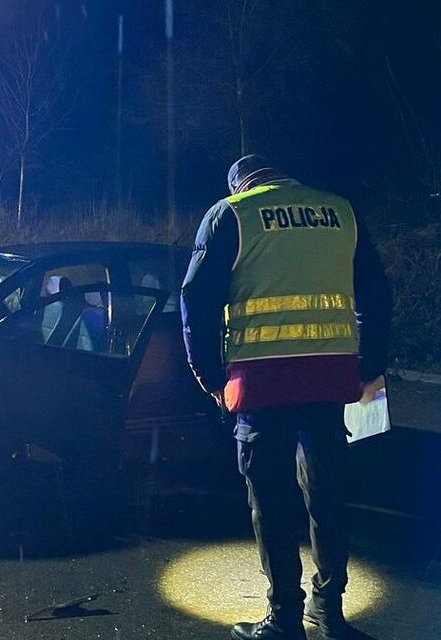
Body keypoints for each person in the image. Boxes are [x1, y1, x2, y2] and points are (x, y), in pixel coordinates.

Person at [181, 155, 391, 640]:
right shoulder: (340, 212)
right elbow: (376, 294)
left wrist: (210, 377)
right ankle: (329, 612)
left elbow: (195, 299)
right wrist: (370, 367)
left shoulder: (230, 215)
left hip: (261, 384)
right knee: (328, 498)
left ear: (240, 183)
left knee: (271, 502)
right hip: (329, 380)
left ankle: (284, 619)